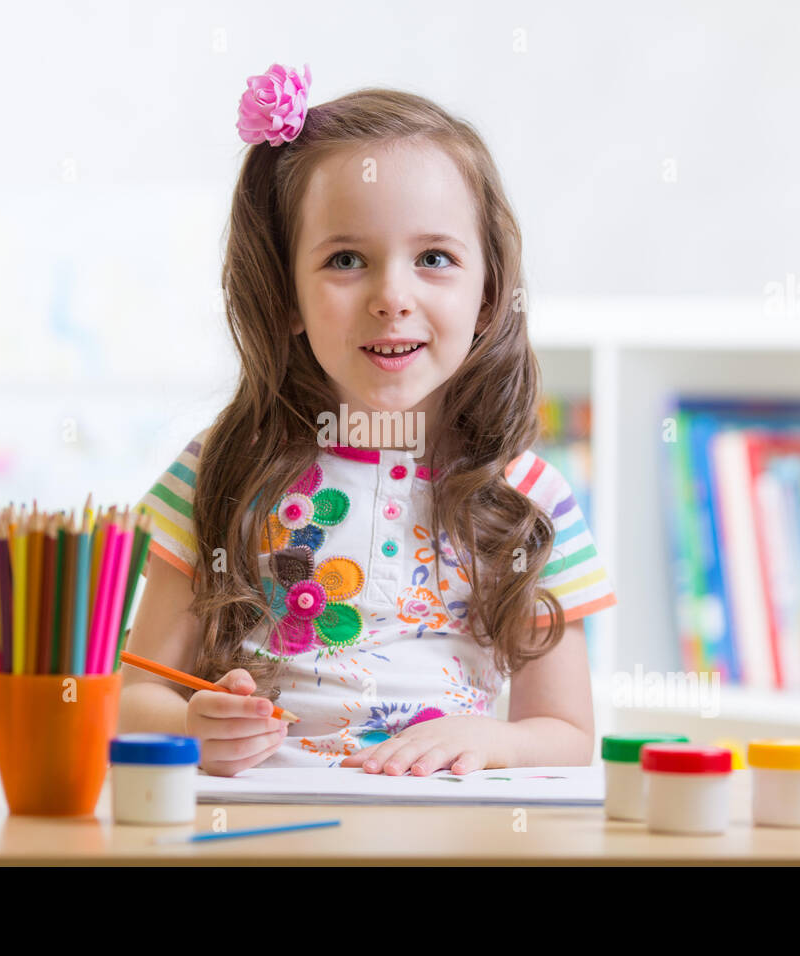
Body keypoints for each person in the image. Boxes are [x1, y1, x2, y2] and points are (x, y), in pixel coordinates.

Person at [120, 62, 616, 776]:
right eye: (346, 259)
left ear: (487, 295)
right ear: (285, 294)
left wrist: (494, 740)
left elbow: (566, 732)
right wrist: (194, 726)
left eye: (435, 258)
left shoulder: (527, 498)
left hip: (441, 840)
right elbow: (136, 697)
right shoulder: (220, 467)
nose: (392, 296)